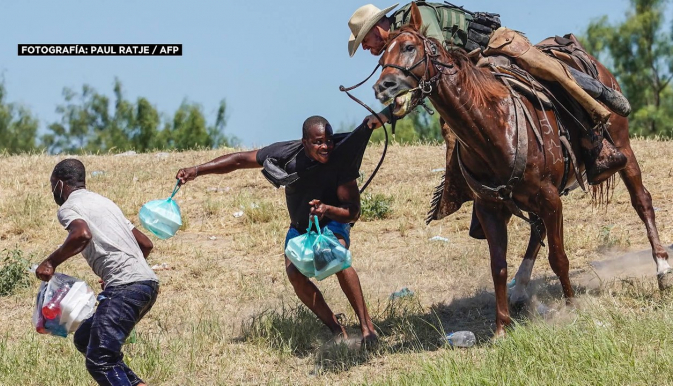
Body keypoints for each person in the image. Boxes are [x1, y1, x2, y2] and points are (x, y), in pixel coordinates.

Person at [347, 2, 631, 236]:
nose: (365, 48)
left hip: (495, 46)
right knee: (455, 129)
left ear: (378, 27)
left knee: (548, 70)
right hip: (471, 68)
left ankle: (597, 110)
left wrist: (394, 108)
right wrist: (386, 113)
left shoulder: (415, 16)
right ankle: (479, 194)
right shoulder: (398, 47)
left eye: (365, 40)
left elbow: (439, 62)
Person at [175, 114, 385, 346]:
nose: (325, 147)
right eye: (318, 142)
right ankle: (336, 329)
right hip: (300, 227)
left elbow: (353, 212)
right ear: (304, 142)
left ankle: (367, 329)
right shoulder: (286, 155)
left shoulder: (341, 160)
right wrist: (197, 170)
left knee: (336, 257)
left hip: (332, 221)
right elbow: (239, 160)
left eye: (328, 141)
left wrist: (326, 209)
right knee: (295, 274)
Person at [36, 159, 159, 386]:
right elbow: (146, 244)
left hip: (126, 287)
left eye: (52, 185)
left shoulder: (69, 207)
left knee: (100, 359)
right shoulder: (105, 203)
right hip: (147, 285)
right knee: (86, 338)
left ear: (59, 184)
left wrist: (51, 262)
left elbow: (81, 234)